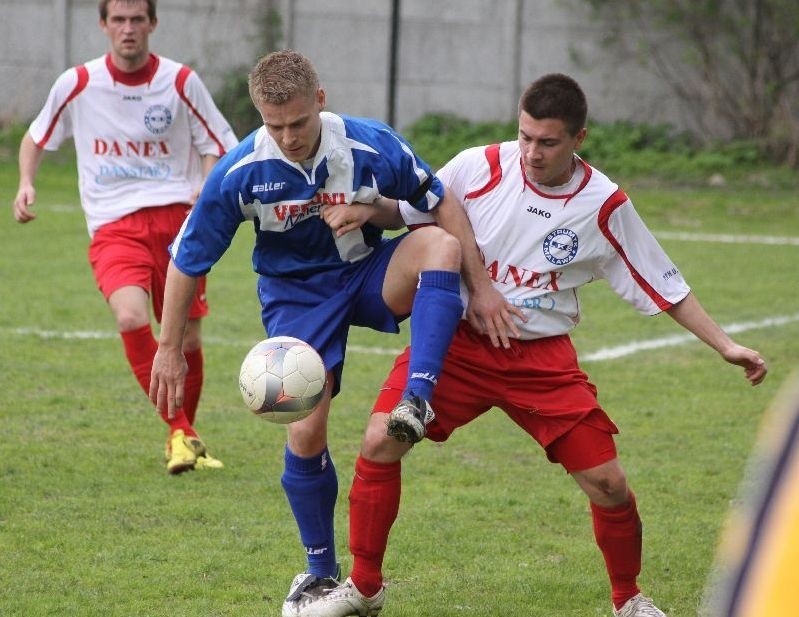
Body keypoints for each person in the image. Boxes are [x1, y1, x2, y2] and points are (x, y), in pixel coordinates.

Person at [301, 73, 769, 617]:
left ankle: (629, 600)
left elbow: (664, 283)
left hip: (539, 362)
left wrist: (725, 345)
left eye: (547, 142)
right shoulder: (478, 166)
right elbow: (410, 211)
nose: (531, 152)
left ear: (579, 138)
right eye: (525, 136)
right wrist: (368, 208)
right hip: (457, 347)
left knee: (608, 483)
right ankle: (364, 588)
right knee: (381, 439)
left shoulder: (603, 204)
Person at [148, 49, 484, 617]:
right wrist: (168, 349)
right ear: (259, 115)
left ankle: (417, 399)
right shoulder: (240, 171)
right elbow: (187, 259)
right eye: (274, 125)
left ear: (320, 101)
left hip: (366, 274)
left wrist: (480, 284)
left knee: (440, 248)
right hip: (296, 297)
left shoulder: (370, 144)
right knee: (305, 433)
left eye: (298, 122)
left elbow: (434, 204)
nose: (289, 136)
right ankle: (320, 573)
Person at [12, 0, 238, 474]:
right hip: (115, 225)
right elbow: (35, 137)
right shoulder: (77, 83)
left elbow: (218, 145)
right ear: (103, 25)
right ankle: (183, 431)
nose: (128, 29)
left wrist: (205, 188)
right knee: (130, 316)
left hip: (179, 224)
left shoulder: (179, 81)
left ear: (153, 24)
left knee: (188, 340)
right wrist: (26, 182)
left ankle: (181, 437)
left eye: (138, 19)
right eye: (119, 19)